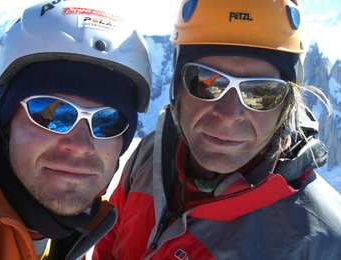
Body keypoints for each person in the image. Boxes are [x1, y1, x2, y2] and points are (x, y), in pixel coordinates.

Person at [93, 0, 341, 259]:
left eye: (261, 93)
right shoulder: (150, 156)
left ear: (286, 106)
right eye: (206, 82)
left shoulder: (326, 242)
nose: (228, 115)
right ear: (177, 87)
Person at [0, 0, 151, 259]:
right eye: (51, 112)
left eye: (107, 121)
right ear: (5, 122)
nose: (81, 145)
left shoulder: (70, 232)